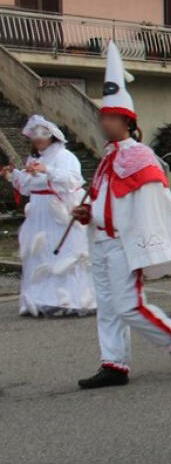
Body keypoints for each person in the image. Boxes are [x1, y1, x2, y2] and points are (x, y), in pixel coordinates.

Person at [73, 43, 171, 389]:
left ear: (126, 121)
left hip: (125, 244)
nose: (104, 121)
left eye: (110, 116)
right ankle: (114, 363)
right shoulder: (107, 158)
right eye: (103, 115)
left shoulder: (140, 157)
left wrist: (148, 245)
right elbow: (106, 200)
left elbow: (153, 204)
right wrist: (89, 213)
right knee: (109, 307)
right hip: (101, 240)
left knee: (128, 306)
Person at [1, 115, 95, 317]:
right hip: (39, 213)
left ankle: (71, 299)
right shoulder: (35, 159)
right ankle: (42, 299)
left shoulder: (65, 156)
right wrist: (13, 176)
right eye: (34, 134)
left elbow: (73, 180)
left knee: (65, 254)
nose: (38, 138)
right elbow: (28, 187)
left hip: (59, 211)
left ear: (52, 136)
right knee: (39, 254)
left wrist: (48, 170)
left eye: (43, 134)